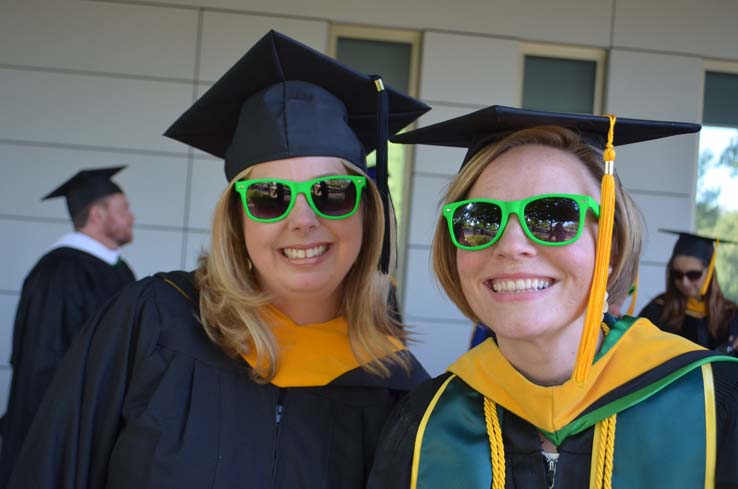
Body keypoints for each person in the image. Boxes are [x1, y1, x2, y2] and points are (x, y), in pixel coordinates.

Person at [6, 30, 429, 488]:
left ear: (368, 211)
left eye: (332, 193)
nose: (303, 220)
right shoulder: (152, 323)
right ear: (236, 219)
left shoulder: (396, 391)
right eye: (270, 197)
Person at [367, 106, 738, 488]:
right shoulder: (424, 422)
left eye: (553, 216)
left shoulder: (716, 403)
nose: (511, 246)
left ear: (610, 249)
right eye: (481, 220)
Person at [0, 166, 135, 484]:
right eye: (124, 208)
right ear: (99, 214)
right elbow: (42, 365)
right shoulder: (59, 272)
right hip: (60, 431)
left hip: (97, 425)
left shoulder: (119, 270)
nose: (132, 216)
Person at [640, 230, 738, 353]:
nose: (684, 282)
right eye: (678, 274)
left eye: (693, 275)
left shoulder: (731, 315)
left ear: (709, 274)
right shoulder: (657, 310)